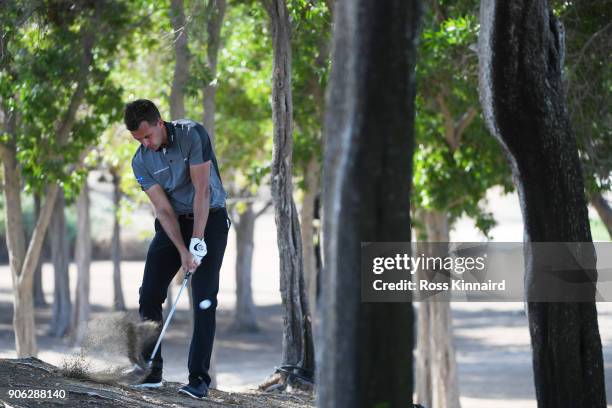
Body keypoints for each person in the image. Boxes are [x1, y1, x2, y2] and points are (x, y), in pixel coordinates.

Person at [123, 99, 230, 399]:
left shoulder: (192, 134)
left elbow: (203, 190)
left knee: (204, 299)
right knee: (149, 293)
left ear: (159, 122)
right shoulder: (140, 161)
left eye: (148, 136)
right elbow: (163, 210)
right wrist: (183, 250)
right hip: (174, 223)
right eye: (138, 140)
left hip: (210, 217)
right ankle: (151, 369)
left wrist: (198, 240)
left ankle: (198, 379)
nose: (145, 143)